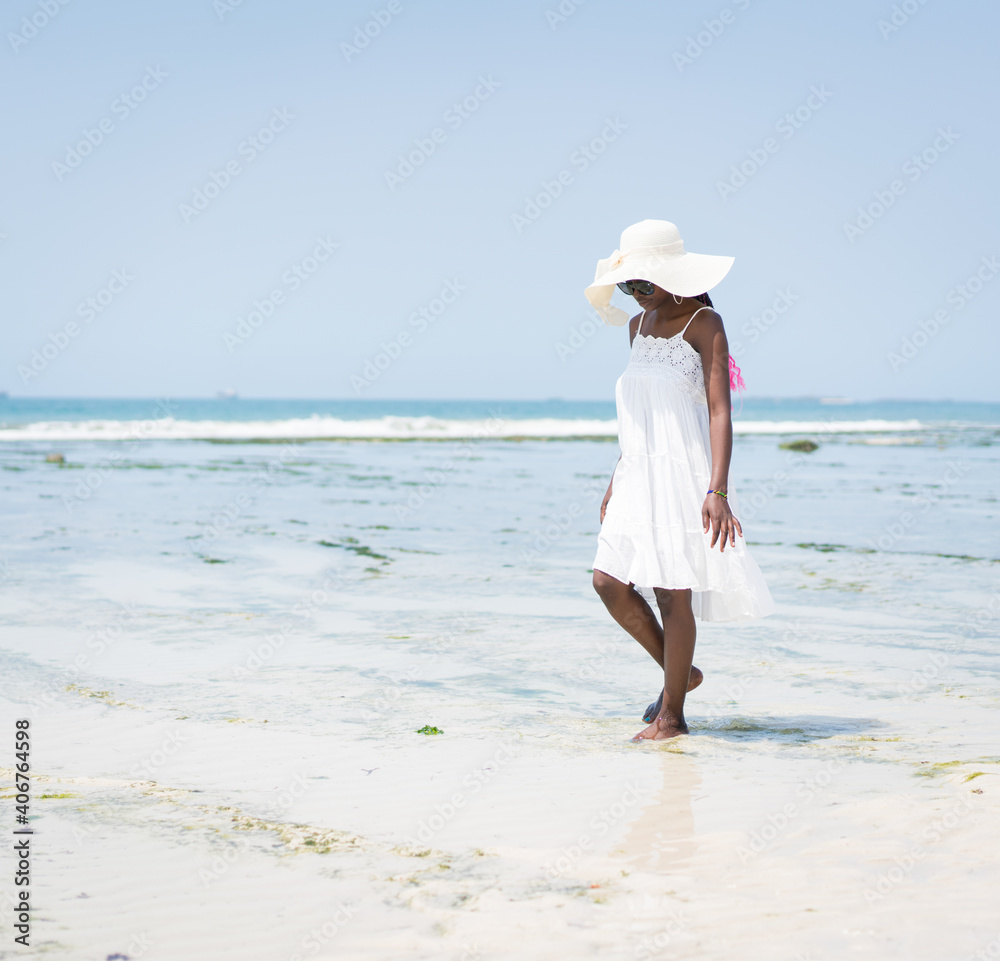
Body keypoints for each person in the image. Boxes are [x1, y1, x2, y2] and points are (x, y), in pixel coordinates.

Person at [584, 219, 775, 741]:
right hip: (636, 472)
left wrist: (718, 490)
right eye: (628, 286)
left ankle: (673, 717)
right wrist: (615, 477)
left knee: (672, 593)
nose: (636, 296)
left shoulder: (705, 323)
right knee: (608, 582)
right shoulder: (636, 328)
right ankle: (681, 674)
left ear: (672, 278)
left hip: (682, 473)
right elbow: (640, 415)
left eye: (643, 284)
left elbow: (719, 412)